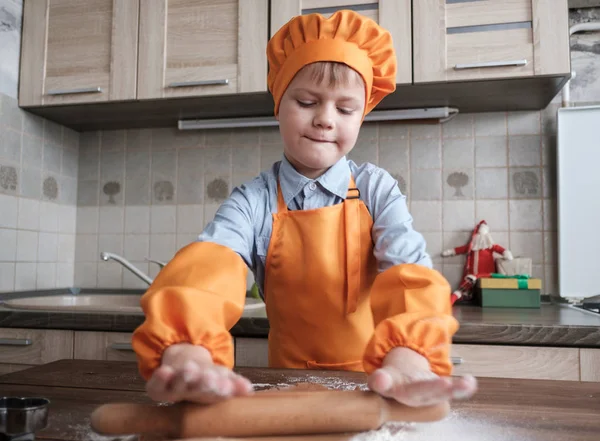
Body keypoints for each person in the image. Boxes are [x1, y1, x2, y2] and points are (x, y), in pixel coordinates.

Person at [131, 10, 477, 408]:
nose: (326, 120)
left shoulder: (375, 189)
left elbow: (407, 274)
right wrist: (186, 349)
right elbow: (212, 264)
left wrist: (410, 355)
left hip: (376, 383)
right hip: (284, 383)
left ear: (362, 116)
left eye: (346, 110)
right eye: (308, 101)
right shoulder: (254, 200)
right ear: (279, 103)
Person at [442, 220, 513, 304]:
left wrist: (506, 253)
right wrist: (450, 251)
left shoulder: (491, 246)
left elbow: (501, 250)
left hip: (486, 275)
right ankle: (453, 299)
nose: (481, 237)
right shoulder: (471, 248)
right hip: (471, 276)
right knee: (465, 286)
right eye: (479, 234)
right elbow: (461, 249)